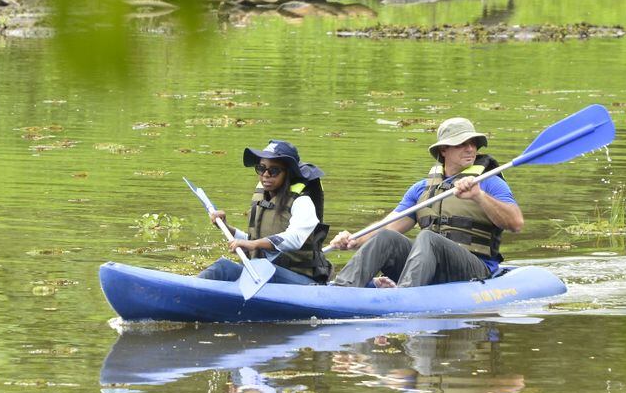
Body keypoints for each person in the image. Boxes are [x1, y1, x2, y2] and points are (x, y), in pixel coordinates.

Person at [331, 117, 522, 288]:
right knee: (386, 238)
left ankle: (405, 295)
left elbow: (515, 223)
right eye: (461, 143)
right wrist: (354, 240)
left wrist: (479, 196)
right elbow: (389, 226)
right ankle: (343, 288)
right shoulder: (421, 189)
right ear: (443, 149)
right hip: (427, 267)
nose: (470, 148)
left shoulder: (489, 182)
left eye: (473, 143)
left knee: (427, 238)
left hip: (474, 268)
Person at [199, 140, 332, 285]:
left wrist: (255, 244)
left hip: (301, 282)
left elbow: (294, 238)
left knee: (224, 269)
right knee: (223, 268)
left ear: (288, 173)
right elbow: (252, 241)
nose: (265, 175)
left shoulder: (302, 201)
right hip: (264, 272)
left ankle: (186, 292)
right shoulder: (263, 198)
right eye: (261, 168)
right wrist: (226, 227)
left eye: (274, 171)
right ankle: (188, 288)